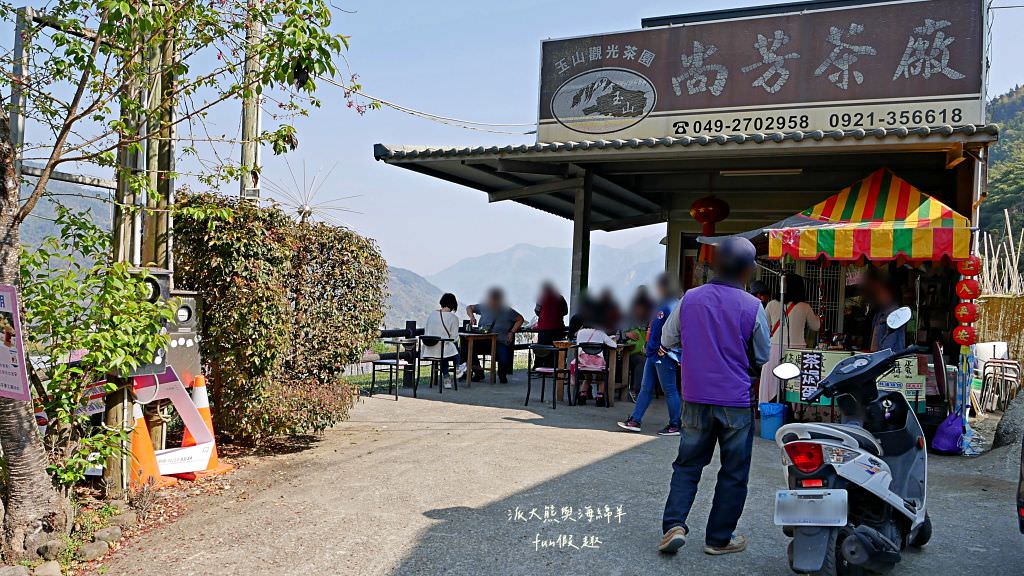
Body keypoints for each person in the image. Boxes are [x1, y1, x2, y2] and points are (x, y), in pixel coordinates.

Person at [656, 236, 771, 556]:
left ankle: (674, 526)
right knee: (734, 471)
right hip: (735, 402)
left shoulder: (690, 299)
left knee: (687, 465)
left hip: (694, 398)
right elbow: (762, 356)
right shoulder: (753, 306)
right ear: (747, 270)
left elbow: (669, 338)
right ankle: (718, 539)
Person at [617, 273, 683, 436]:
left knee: (670, 390)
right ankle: (635, 420)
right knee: (646, 388)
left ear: (663, 287)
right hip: (656, 354)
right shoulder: (675, 304)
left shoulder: (666, 306)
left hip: (662, 354)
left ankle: (675, 424)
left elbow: (661, 331)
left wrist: (660, 347)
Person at [758, 273, 821, 403]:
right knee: (794, 385)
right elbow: (816, 326)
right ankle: (795, 411)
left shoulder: (771, 304)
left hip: (775, 348)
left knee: (773, 381)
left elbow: (763, 326)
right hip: (797, 350)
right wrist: (818, 318)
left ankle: (770, 407)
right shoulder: (805, 306)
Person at [466, 288, 524, 383]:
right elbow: (469, 307)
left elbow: (520, 319)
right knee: (468, 348)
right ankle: (478, 372)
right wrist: (472, 317)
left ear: (499, 300)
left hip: (499, 341)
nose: (491, 302)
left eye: (494, 300)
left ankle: (502, 374)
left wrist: (512, 332)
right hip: (484, 340)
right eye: (490, 300)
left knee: (504, 356)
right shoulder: (484, 307)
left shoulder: (507, 311)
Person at [422, 293, 467, 388]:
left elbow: (427, 331)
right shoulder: (453, 318)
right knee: (450, 346)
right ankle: (458, 367)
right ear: (453, 305)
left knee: (444, 350)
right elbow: (454, 337)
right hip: (443, 350)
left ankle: (447, 379)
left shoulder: (432, 315)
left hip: (429, 349)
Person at [570, 321, 617, 406]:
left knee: (587, 377)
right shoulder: (600, 333)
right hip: (597, 364)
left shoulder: (580, 332)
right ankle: (600, 397)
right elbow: (614, 346)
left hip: (583, 362)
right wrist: (613, 339)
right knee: (602, 378)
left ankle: (582, 395)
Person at [867, 269, 906, 352]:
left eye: (880, 293)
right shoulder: (879, 313)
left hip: (889, 358)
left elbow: (888, 345)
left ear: (889, 293)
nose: (878, 297)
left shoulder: (896, 314)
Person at [534, 282, 568, 366]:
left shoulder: (541, 298)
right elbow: (565, 311)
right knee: (556, 348)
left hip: (544, 328)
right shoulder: (560, 298)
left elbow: (537, 310)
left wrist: (544, 316)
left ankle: (539, 367)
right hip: (558, 327)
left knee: (542, 348)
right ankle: (555, 367)